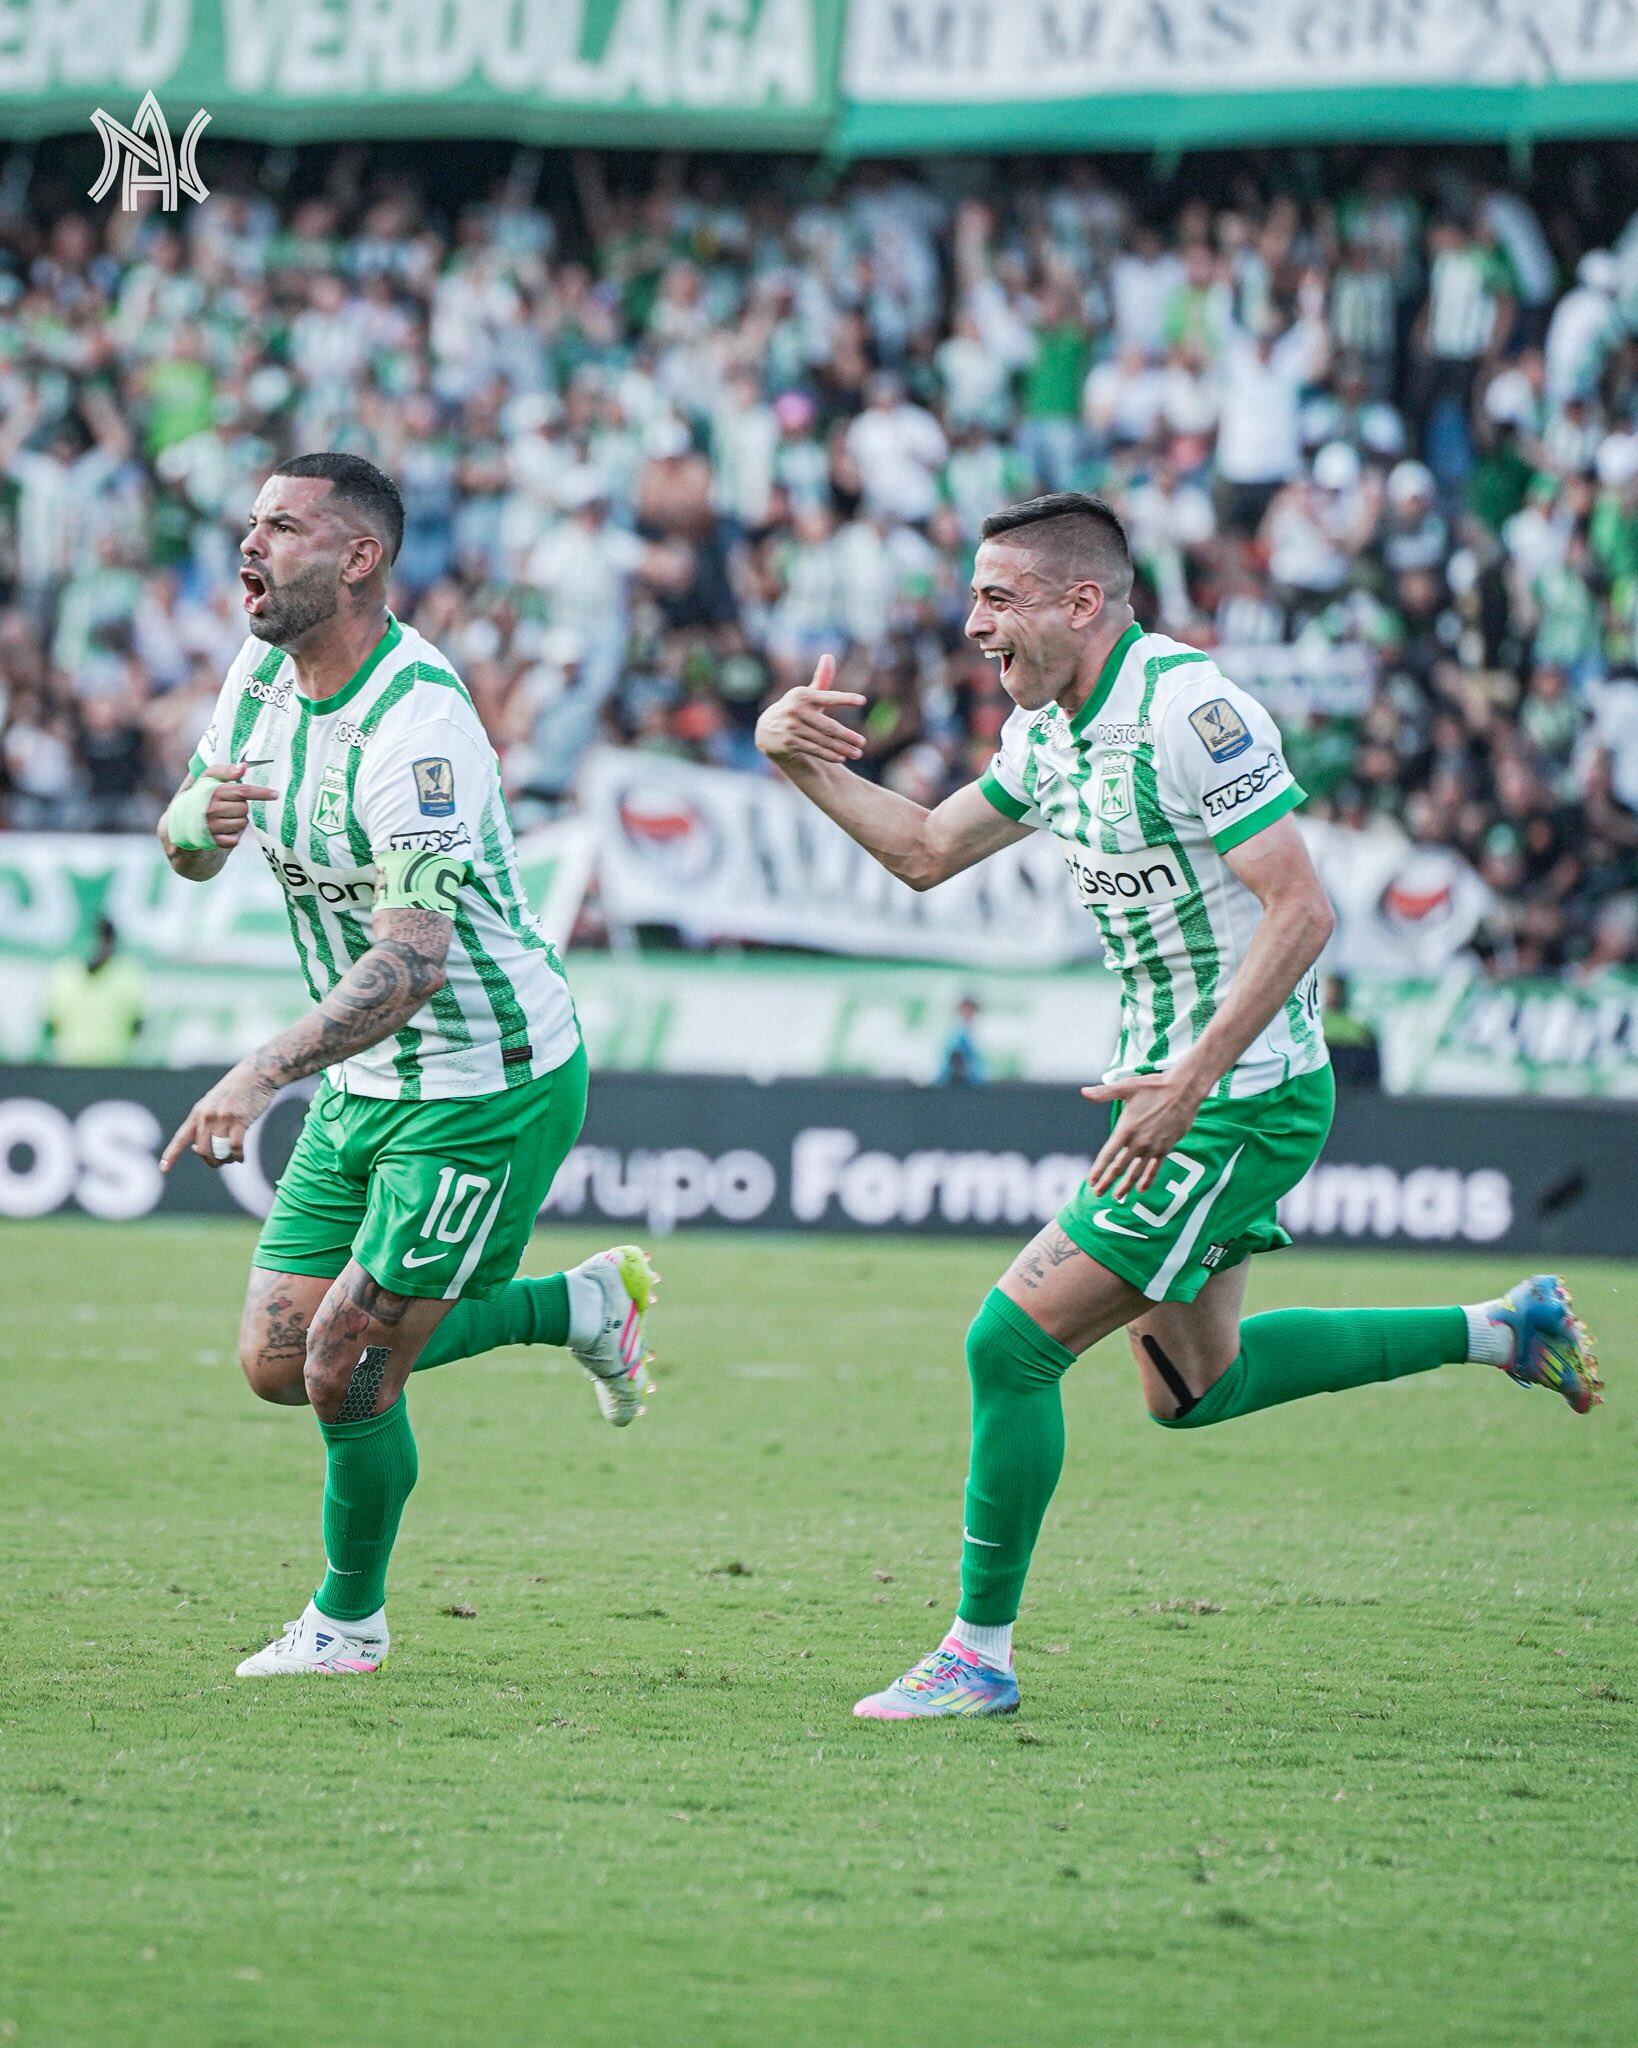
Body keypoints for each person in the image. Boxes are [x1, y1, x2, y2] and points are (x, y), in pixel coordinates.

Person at [756, 491, 1602, 1721]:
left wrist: (1193, 1077)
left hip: (1235, 1099)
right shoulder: (1048, 733)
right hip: (1175, 1096)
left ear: (1080, 601)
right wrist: (800, 762)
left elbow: (1303, 909)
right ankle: (1506, 1329)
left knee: (1009, 1343)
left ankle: (976, 1653)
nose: (974, 623)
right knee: (1197, 1388)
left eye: (996, 597)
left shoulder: (1188, 712)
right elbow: (928, 849)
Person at [156, 453, 660, 1678]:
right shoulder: (258, 677)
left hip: (486, 1080)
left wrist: (260, 1071)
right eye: (251, 521)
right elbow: (193, 829)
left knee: (346, 1363)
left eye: (283, 526)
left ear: (359, 557)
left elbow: (415, 960)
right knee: (277, 1359)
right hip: (367, 1077)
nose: (251, 543)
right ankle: (580, 1305)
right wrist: (189, 825)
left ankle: (347, 1624)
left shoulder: (420, 725)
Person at [42, 914, 145, 1064]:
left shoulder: (128, 976)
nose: (99, 945)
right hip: (70, 1066)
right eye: (96, 938)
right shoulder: (64, 974)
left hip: (115, 1067)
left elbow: (138, 1026)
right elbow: (51, 1024)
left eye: (105, 939)